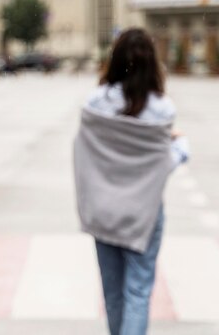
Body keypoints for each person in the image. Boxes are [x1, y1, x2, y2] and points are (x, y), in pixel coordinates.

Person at [73, 28, 189, 335]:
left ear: (115, 60)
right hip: (144, 214)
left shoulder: (96, 102)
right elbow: (164, 162)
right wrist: (179, 146)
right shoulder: (163, 108)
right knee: (137, 292)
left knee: (112, 293)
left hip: (104, 210)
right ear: (152, 64)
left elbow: (84, 150)